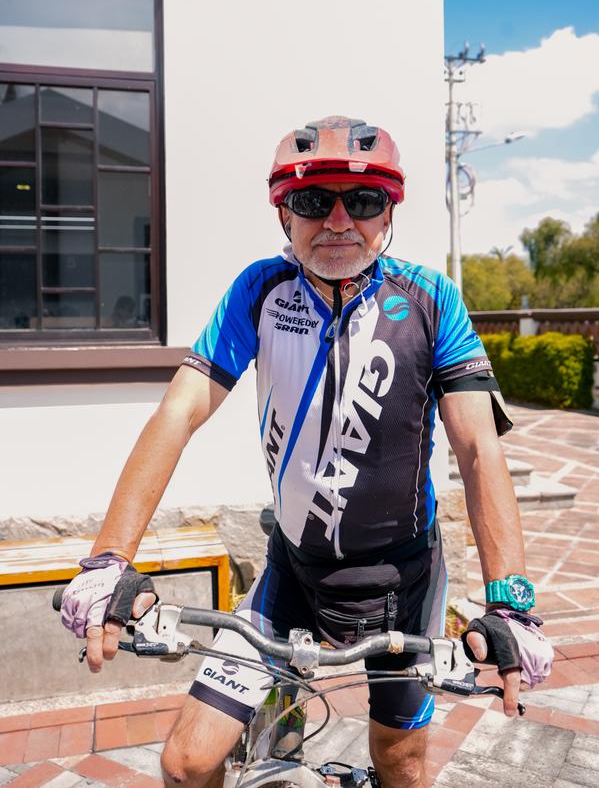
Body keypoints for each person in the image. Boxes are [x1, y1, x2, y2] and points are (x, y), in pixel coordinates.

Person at [61, 116, 552, 788]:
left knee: (401, 761)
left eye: (364, 200)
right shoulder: (259, 291)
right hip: (293, 574)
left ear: (389, 213)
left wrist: (510, 602)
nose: (338, 221)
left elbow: (476, 447)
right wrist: (109, 558)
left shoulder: (431, 299)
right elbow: (179, 412)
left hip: (404, 582)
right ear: (284, 214)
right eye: (314, 200)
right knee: (186, 763)